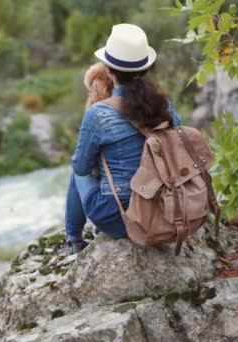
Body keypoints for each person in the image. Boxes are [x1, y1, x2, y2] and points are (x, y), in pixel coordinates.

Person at [65, 23, 182, 255]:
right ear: (145, 69)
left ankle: (73, 242)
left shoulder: (98, 113)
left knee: (76, 169)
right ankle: (73, 240)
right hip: (165, 209)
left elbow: (82, 166)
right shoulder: (165, 106)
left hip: (119, 218)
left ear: (108, 70)